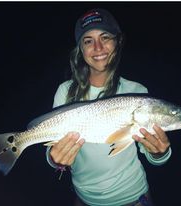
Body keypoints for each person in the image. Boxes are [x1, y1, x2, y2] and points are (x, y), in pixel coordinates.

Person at [46, 8, 171, 206]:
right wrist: (55, 160)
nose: (98, 47)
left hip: (134, 197)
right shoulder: (65, 91)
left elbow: (153, 156)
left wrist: (159, 152)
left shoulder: (137, 91)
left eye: (105, 37)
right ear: (80, 49)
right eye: (88, 40)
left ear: (118, 42)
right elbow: (53, 144)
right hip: (84, 198)